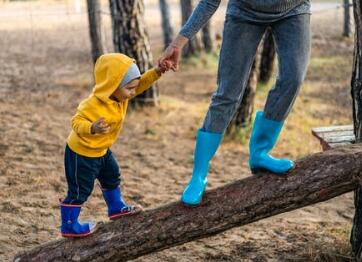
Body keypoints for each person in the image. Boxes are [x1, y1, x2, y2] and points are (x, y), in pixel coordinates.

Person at [159, 0, 311, 206]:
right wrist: (178, 43)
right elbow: (209, 2)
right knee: (227, 94)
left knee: (293, 80)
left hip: (293, 9)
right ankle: (199, 175)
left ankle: (260, 152)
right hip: (244, 13)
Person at [60, 53, 169, 238]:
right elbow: (75, 122)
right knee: (80, 190)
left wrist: (157, 72)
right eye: (129, 88)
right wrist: (91, 128)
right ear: (112, 85)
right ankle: (69, 226)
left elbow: (140, 84)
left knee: (111, 175)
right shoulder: (92, 104)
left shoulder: (121, 96)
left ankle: (116, 207)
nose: (133, 92)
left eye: (134, 88)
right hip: (82, 153)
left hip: (102, 150)